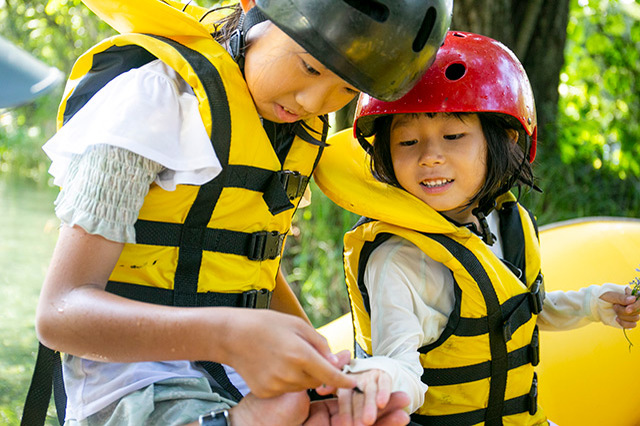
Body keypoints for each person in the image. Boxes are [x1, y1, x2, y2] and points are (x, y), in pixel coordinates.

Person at [30, 0, 453, 425]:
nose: (313, 101)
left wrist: (326, 369)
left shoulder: (292, 127)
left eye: (346, 89)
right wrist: (229, 336)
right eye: (309, 68)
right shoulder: (153, 99)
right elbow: (60, 314)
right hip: (132, 379)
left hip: (234, 371)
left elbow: (248, 266)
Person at [313, 31, 640, 425]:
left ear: (504, 139)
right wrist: (379, 377)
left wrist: (593, 304)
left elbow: (519, 311)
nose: (431, 157)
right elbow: (401, 369)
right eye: (407, 142)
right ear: (384, 155)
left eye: (454, 136)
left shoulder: (505, 221)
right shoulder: (398, 261)